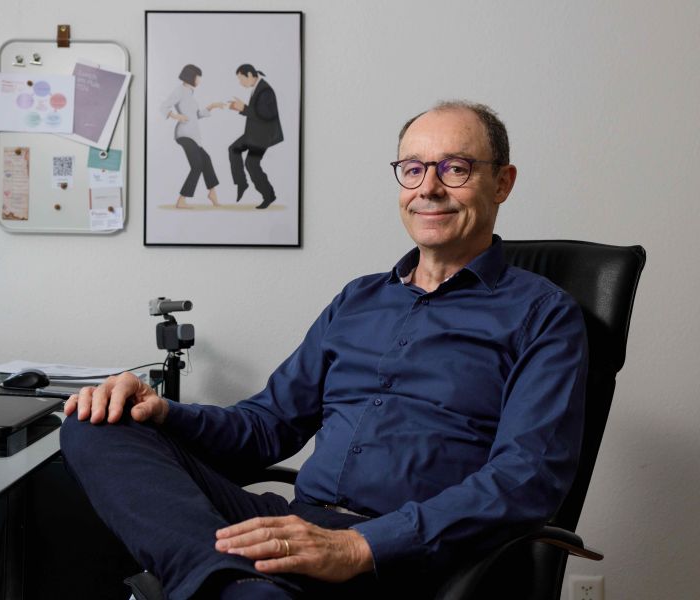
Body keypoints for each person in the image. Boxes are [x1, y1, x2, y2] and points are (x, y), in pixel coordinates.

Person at [60, 101, 588, 599]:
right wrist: (161, 414)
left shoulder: (544, 315)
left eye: (456, 169)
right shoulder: (358, 299)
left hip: (407, 556)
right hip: (299, 527)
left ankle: (238, 586)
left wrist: (360, 546)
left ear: (503, 182)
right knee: (95, 424)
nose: (429, 188)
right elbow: (266, 427)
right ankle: (238, 586)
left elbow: (525, 480)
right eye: (413, 169)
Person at [161, 64, 226, 209]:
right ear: (191, 76)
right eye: (198, 77)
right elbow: (163, 107)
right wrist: (177, 116)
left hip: (193, 135)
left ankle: (212, 193)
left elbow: (196, 115)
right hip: (184, 134)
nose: (199, 80)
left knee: (206, 160)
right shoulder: (180, 91)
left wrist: (212, 106)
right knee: (197, 165)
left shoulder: (189, 92)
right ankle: (182, 200)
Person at [227, 64, 283, 209]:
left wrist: (243, 108)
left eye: (241, 79)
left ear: (250, 75)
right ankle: (242, 183)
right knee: (234, 149)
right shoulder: (258, 87)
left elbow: (264, 115)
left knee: (251, 164)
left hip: (264, 135)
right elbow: (257, 112)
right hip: (253, 133)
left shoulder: (265, 90)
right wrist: (241, 108)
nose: (240, 83)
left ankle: (269, 195)